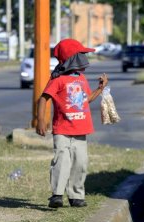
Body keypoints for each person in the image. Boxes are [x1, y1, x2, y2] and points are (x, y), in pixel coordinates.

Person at [36, 38, 108, 208]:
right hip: (62, 129)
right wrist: (40, 119)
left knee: (80, 162)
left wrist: (100, 88)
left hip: (80, 130)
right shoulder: (58, 80)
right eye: (82, 55)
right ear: (72, 58)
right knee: (62, 161)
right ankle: (57, 195)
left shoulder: (81, 79)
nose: (85, 59)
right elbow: (43, 98)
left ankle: (76, 196)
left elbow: (85, 100)